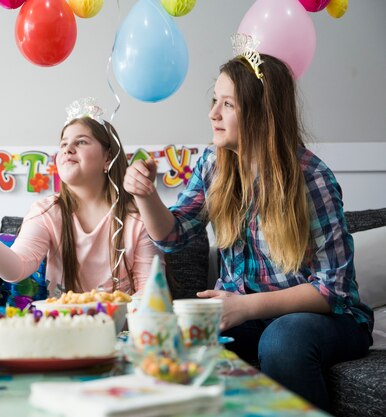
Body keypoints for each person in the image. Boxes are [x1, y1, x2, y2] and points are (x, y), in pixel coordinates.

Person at [123, 49, 373, 411]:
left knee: (283, 340)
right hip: (250, 313)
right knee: (181, 334)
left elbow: (330, 289)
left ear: (261, 113)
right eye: (214, 101)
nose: (213, 113)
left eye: (228, 104)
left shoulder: (311, 179)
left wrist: (244, 307)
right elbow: (173, 237)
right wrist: (145, 196)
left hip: (329, 319)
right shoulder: (213, 165)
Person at [0, 98, 163, 297]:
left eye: (81, 142)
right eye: (63, 144)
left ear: (108, 157)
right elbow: (16, 268)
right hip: (62, 332)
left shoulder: (138, 218)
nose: (68, 149)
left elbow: (150, 293)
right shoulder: (47, 211)